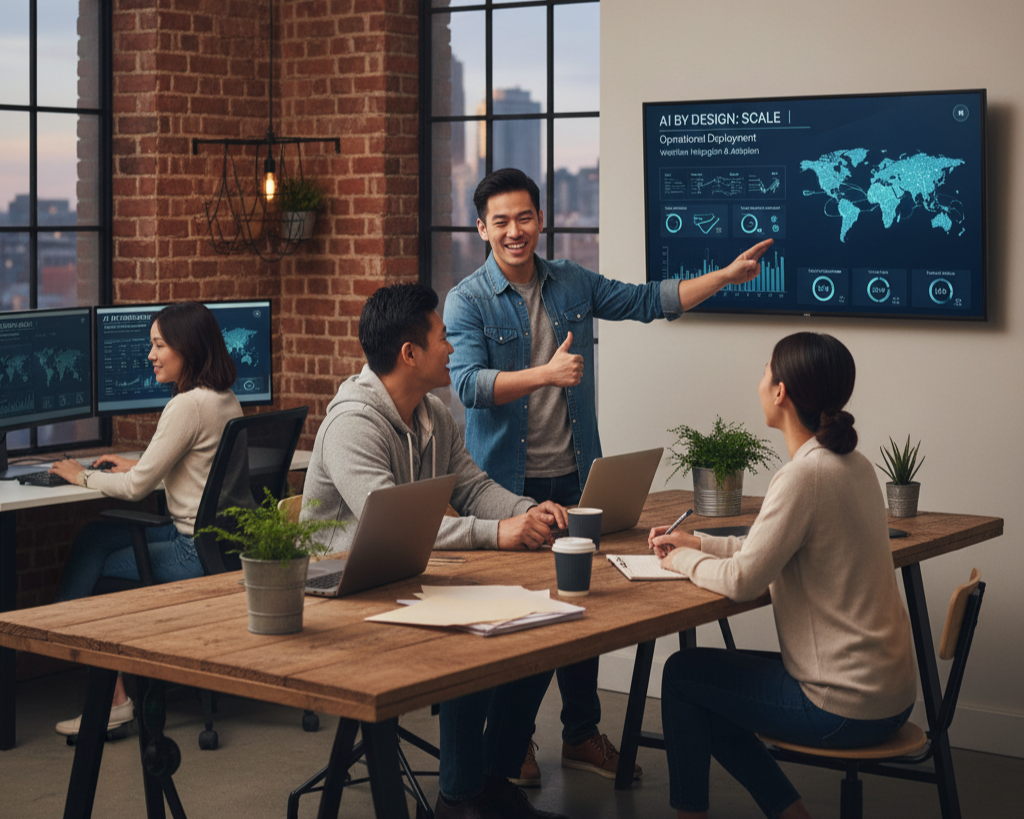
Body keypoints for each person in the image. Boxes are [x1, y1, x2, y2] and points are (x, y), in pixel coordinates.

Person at [443, 167, 774, 785]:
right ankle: (512, 745)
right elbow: (467, 386)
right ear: (481, 228)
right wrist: (545, 374)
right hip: (501, 487)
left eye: (525, 217)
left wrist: (725, 278)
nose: (515, 231)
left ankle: (581, 734)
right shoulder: (466, 300)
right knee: (514, 621)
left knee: (582, 611)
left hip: (575, 478)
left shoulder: (571, 281)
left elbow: (650, 300)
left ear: (541, 221)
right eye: (501, 221)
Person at [301, 283, 570, 819]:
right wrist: (497, 535)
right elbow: (394, 523)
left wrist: (525, 509)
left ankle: (490, 782)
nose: (452, 349)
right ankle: (457, 797)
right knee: (468, 646)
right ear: (410, 353)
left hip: (403, 577)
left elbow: (470, 487)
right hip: (341, 595)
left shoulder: (431, 414)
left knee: (545, 629)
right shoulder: (352, 424)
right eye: (443, 338)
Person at [649, 332, 918, 819]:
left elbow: (743, 581)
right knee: (715, 688)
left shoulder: (803, 477)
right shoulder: (853, 466)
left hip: (843, 707)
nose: (759, 383)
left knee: (684, 676)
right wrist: (697, 543)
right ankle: (790, 813)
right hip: (892, 697)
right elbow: (773, 549)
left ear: (781, 391)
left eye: (764, 372)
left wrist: (676, 562)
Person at [49, 301, 243, 738]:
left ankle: (112, 700)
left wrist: (82, 477)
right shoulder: (223, 398)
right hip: (215, 544)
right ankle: (64, 630)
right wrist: (132, 463)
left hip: (188, 549)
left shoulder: (186, 406)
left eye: (158, 345)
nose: (151, 355)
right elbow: (188, 464)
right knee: (95, 536)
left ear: (187, 349)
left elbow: (137, 489)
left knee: (97, 575)